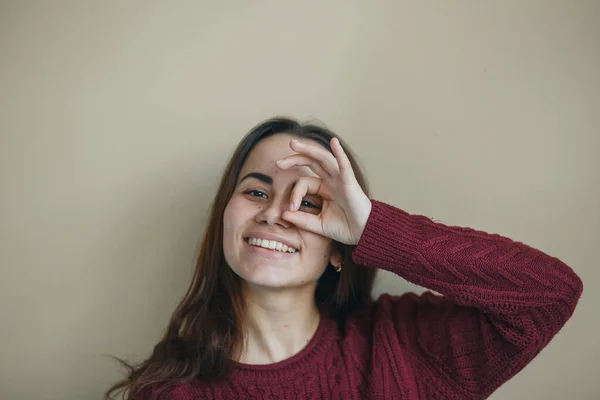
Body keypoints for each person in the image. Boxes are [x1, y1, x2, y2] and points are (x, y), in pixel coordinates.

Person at [105, 117, 583, 400]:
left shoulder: (405, 346)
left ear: (340, 248)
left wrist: (376, 229)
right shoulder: (175, 391)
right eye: (256, 191)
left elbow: (550, 293)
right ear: (225, 219)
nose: (275, 214)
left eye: (309, 203)